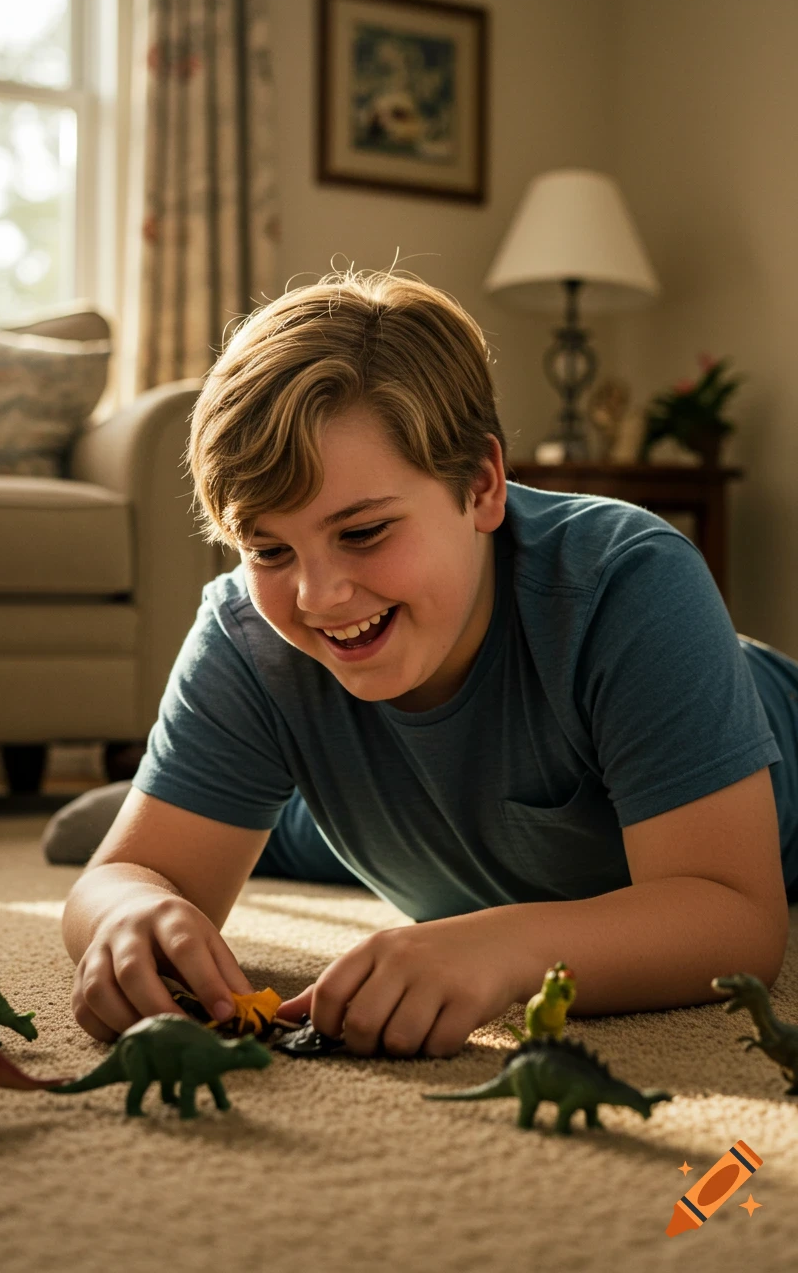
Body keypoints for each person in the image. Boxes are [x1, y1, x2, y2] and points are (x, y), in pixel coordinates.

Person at [61, 266, 798, 1060]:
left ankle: (244, 811)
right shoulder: (250, 633)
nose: (317, 594)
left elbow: (736, 920)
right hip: (415, 817)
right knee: (250, 842)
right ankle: (219, 803)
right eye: (269, 549)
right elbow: (113, 881)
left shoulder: (631, 582)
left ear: (481, 486)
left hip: (712, 752)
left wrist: (504, 948)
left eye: (364, 531)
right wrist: (129, 906)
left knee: (340, 839)